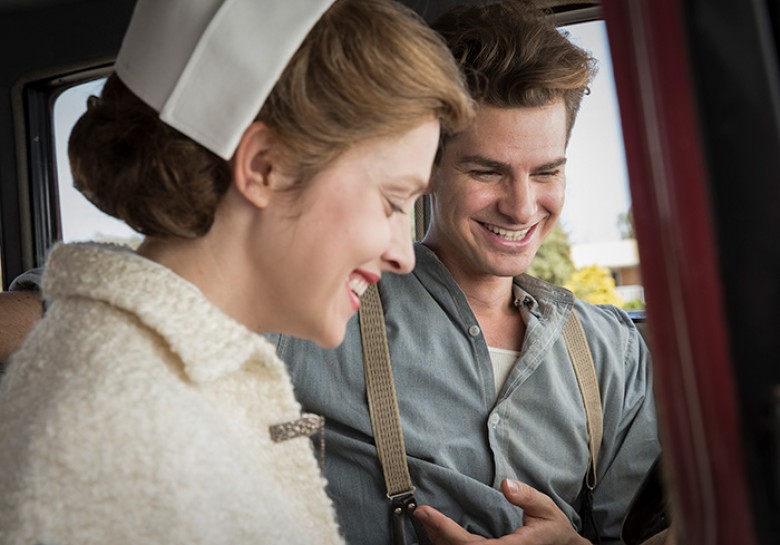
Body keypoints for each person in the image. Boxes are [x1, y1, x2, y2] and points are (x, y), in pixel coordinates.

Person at [0, 0, 473, 544]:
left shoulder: (183, 376)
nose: (404, 254)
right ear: (264, 168)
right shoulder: (117, 425)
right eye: (393, 201)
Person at [273, 2, 661, 544]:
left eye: (547, 172)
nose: (522, 207)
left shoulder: (611, 350)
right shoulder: (307, 320)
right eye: (487, 171)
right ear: (426, 167)